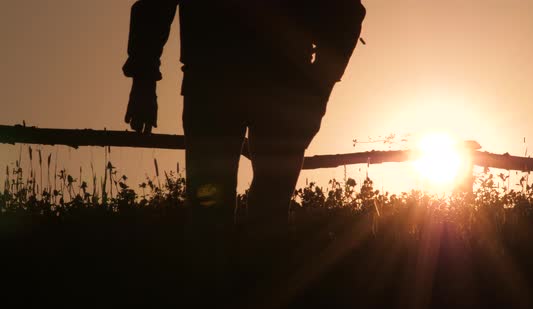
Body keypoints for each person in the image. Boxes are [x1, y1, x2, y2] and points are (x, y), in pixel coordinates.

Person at [123, 1, 365, 226]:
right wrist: (319, 88)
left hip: (232, 83)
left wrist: (319, 89)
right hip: (245, 83)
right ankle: (234, 266)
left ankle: (237, 266)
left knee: (230, 208)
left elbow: (347, 12)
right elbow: (346, 13)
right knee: (229, 207)